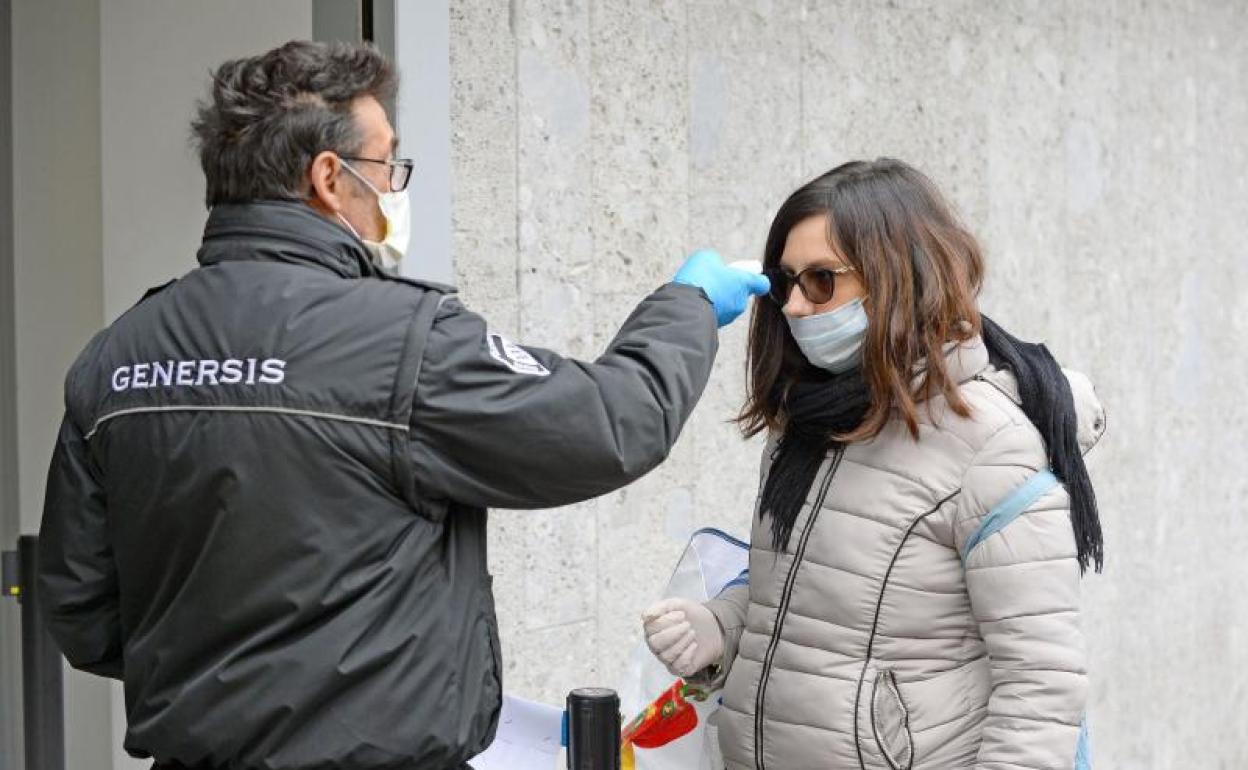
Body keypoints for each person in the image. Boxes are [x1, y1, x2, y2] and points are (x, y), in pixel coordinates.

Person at [35, 40, 768, 770]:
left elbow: (81, 608)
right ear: (329, 176)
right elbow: (611, 423)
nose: (393, 186)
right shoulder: (400, 343)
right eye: (386, 164)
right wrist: (690, 305)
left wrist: (227, 687)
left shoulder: (116, 359)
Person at [643, 159, 1106, 769]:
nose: (797, 307)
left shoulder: (988, 444)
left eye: (822, 280)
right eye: (785, 283)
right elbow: (805, 589)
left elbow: (1040, 685)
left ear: (901, 277)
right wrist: (720, 627)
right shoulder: (808, 418)